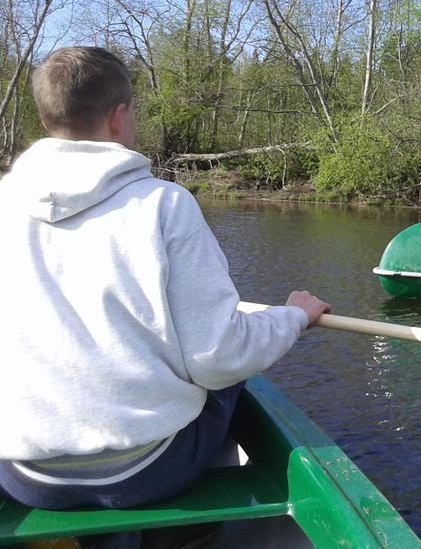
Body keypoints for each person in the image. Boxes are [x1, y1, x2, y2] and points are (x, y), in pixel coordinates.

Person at [0, 46, 330, 510]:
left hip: (25, 474)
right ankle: (193, 532)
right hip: (145, 472)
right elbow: (219, 357)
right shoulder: (164, 206)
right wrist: (293, 317)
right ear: (118, 118)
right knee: (229, 378)